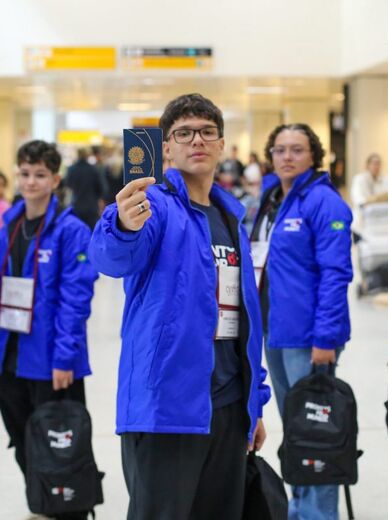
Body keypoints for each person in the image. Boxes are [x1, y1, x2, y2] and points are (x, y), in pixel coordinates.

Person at [88, 93, 271, 520]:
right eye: (184, 133)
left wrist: (253, 405)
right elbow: (109, 259)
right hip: (165, 408)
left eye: (208, 132)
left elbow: (246, 321)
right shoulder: (154, 207)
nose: (197, 141)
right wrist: (122, 223)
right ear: (165, 147)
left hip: (226, 406)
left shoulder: (231, 217)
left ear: (223, 145)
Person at [0, 140, 98, 519]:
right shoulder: (9, 226)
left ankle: (70, 509)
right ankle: (43, 502)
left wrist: (65, 356)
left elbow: (75, 299)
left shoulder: (71, 231)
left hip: (52, 361)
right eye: (24, 174)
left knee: (61, 447)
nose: (30, 182)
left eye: (39, 175)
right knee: (22, 441)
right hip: (11, 355)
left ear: (55, 179)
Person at [253, 123, 352, 520]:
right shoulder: (273, 199)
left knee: (316, 434)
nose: (287, 157)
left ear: (314, 156)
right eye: (280, 150)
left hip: (310, 337)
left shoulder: (324, 202)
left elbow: (335, 274)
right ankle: (300, 510)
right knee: (297, 431)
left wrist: (325, 339)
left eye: (297, 149)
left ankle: (318, 514)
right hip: (275, 331)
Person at [350, 153, 388, 235]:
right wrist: (381, 198)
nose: (376, 166)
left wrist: (373, 200)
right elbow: (360, 201)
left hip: (379, 223)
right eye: (374, 163)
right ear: (367, 165)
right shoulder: (359, 179)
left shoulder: (386, 179)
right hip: (360, 223)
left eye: (378, 164)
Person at [64, 147, 107, 229]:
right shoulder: (94, 169)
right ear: (87, 155)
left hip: (76, 205)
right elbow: (102, 188)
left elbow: (68, 184)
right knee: (91, 232)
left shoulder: (72, 169)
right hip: (91, 207)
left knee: (76, 233)